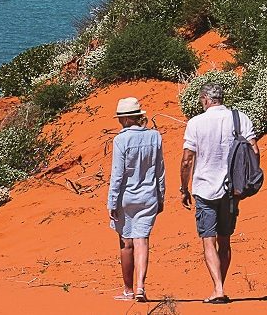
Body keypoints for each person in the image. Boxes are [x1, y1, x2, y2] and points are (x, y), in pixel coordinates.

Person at [180, 83, 256, 305]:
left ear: (205, 99)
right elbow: (254, 149)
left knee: (208, 240)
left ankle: (218, 289)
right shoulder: (240, 118)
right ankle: (220, 287)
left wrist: (184, 188)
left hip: (204, 188)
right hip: (232, 189)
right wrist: (247, 181)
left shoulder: (195, 123)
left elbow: (187, 159)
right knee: (225, 240)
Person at [106, 96, 164, 303]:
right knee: (142, 240)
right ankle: (141, 286)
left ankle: (128, 290)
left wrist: (111, 202)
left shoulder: (121, 140)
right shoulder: (154, 136)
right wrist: (161, 196)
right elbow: (160, 171)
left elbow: (117, 174)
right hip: (149, 195)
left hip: (126, 197)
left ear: (125, 119)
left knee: (126, 242)